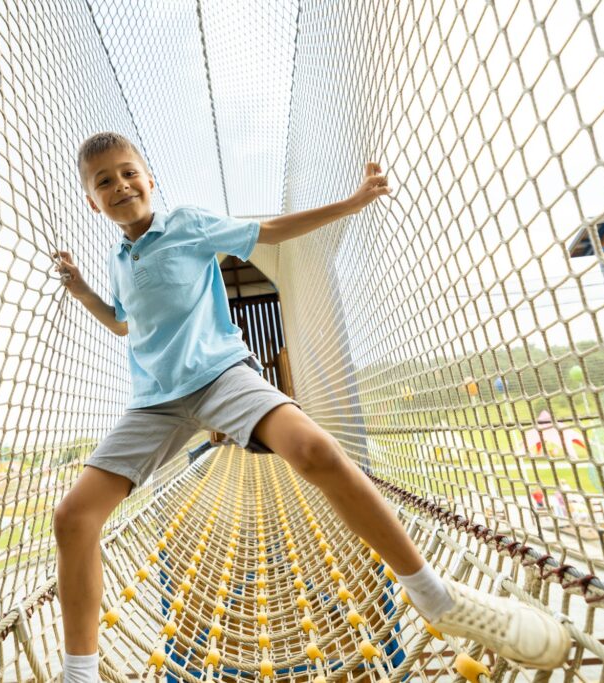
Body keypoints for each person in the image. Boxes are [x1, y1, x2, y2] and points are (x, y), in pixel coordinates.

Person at [52, 132, 571, 682]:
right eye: (103, 181)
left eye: (128, 172)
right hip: (155, 400)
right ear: (92, 201)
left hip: (221, 375)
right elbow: (125, 323)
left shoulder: (185, 224)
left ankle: (435, 596)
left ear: (149, 177)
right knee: (73, 517)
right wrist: (85, 291)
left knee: (316, 450)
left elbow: (268, 231)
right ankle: (80, 674)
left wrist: (351, 202)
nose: (120, 185)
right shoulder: (118, 258)